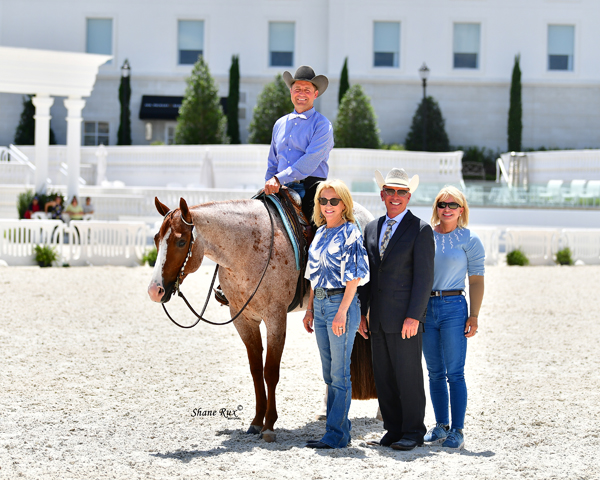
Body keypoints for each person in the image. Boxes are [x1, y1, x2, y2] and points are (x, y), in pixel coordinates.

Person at [358, 168, 434, 451]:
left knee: (408, 375)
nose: (395, 197)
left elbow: (424, 278)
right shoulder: (371, 228)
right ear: (382, 194)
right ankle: (392, 429)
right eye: (390, 191)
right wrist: (362, 313)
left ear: (409, 196)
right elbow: (367, 275)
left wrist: (415, 315)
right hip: (376, 318)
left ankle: (413, 431)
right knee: (385, 376)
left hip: (406, 318)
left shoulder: (421, 229)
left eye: (401, 192)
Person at [302, 179, 369, 449]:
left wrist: (342, 312)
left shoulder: (350, 232)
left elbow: (355, 277)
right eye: (323, 201)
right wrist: (309, 309)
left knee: (340, 374)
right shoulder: (319, 234)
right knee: (329, 373)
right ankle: (341, 429)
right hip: (319, 305)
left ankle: (335, 434)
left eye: (333, 201)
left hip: (341, 304)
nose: (327, 206)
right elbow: (313, 275)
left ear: (344, 204)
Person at [422, 186, 485, 450]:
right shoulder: (425, 236)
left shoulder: (470, 240)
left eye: (452, 205)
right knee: (434, 372)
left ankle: (457, 430)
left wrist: (474, 315)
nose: (446, 209)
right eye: (441, 204)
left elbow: (477, 280)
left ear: (462, 209)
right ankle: (440, 425)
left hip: (454, 307)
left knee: (455, 373)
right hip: (426, 308)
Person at [263, 65, 334, 224]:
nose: (301, 94)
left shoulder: (323, 125)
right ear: (291, 92)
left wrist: (277, 178)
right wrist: (269, 183)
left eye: (307, 90)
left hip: (311, 188)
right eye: (297, 89)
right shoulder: (279, 124)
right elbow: (273, 161)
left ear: (315, 94)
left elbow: (310, 160)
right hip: (280, 187)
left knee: (316, 233)